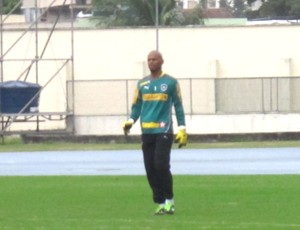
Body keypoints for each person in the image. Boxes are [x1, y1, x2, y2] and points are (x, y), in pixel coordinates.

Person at [122, 50, 187, 215]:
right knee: (150, 168)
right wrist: (131, 120)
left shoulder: (170, 82)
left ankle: (169, 201)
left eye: (154, 59)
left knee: (161, 165)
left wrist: (182, 128)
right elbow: (136, 106)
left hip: (164, 130)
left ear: (161, 61)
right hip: (147, 131)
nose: (151, 62)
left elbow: (178, 105)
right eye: (149, 60)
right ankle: (160, 202)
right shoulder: (142, 84)